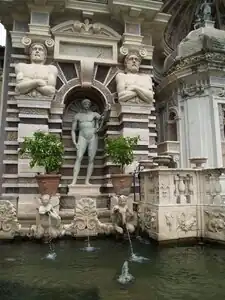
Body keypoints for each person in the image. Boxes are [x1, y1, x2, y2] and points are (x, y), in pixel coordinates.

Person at [71, 98, 109, 185]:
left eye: (88, 103)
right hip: (82, 136)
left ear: (90, 104)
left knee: (91, 159)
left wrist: (107, 110)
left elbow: (104, 118)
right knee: (79, 157)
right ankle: (74, 181)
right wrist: (74, 142)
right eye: (85, 103)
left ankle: (87, 181)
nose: (86, 105)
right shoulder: (78, 116)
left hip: (93, 136)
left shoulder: (94, 114)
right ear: (82, 104)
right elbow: (73, 130)